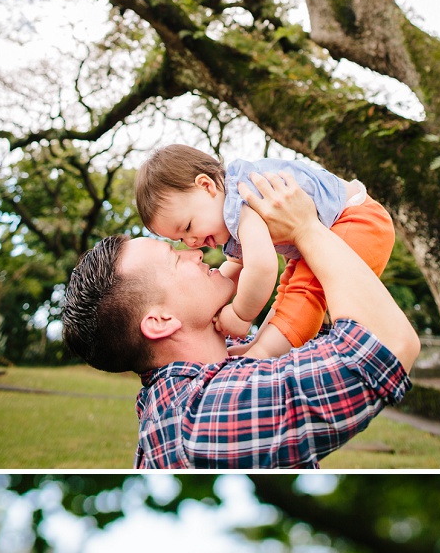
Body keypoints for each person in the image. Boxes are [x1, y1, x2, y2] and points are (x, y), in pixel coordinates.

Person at [60, 169, 419, 468]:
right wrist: (306, 228)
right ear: (160, 321)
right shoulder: (204, 418)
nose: (194, 251)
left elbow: (309, 316)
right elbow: (385, 346)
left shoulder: (220, 362)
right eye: (174, 257)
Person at [134, 144, 396, 359]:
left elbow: (261, 268)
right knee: (289, 290)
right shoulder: (228, 219)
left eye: (188, 227)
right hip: (322, 233)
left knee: (303, 292)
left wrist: (239, 314)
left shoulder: (243, 202)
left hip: (355, 219)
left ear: (207, 186)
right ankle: (258, 344)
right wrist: (208, 303)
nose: (191, 242)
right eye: (180, 239)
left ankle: (263, 353)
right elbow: (235, 268)